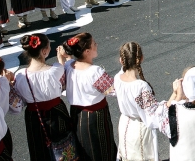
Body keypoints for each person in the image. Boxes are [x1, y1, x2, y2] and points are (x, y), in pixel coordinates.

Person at [12, 33, 74, 161]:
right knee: (63, 143)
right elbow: (62, 85)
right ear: (44, 51)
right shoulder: (55, 70)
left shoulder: (20, 75)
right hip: (57, 112)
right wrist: (61, 59)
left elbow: (20, 99)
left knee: (38, 145)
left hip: (33, 115)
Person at [62, 33, 118, 161]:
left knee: (82, 147)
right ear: (87, 51)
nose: (96, 45)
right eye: (94, 44)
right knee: (101, 148)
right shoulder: (94, 72)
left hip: (76, 113)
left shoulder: (69, 66)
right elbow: (113, 90)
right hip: (95, 116)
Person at [114, 42, 160, 161]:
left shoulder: (117, 78)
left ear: (121, 60)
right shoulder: (141, 86)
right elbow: (153, 113)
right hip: (139, 129)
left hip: (124, 125)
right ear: (141, 59)